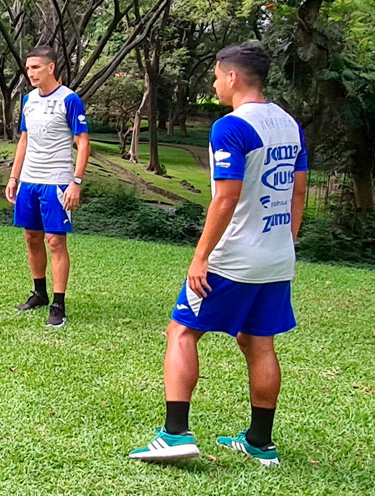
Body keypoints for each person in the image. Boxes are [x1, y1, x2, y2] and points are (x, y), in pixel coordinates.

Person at [129, 43, 308, 467]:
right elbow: (298, 191)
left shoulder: (231, 127)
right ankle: (260, 443)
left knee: (182, 331)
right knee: (258, 342)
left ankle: (174, 434)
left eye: (215, 75)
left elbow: (226, 198)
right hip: (276, 255)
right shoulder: (289, 124)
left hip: (234, 257)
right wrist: (287, 242)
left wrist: (201, 256)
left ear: (231, 77)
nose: (213, 83)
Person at [5, 46, 90, 327]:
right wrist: (14, 178)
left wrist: (76, 182)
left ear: (51, 68)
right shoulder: (28, 100)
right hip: (29, 181)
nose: (30, 73)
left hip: (56, 181)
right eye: (28, 68)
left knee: (55, 241)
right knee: (31, 237)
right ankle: (39, 293)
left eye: (36, 68)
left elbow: (83, 143)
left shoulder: (70, 99)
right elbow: (24, 141)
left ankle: (58, 304)